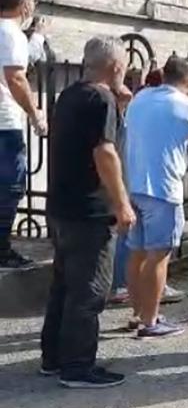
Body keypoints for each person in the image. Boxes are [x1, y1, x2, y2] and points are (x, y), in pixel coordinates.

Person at [40, 36, 135, 388]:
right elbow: (104, 153)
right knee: (89, 291)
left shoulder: (70, 95)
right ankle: (78, 367)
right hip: (90, 210)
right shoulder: (101, 98)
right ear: (117, 67)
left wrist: (120, 105)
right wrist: (122, 204)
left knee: (64, 286)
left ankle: (53, 358)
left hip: (62, 205)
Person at [123, 57, 188, 338]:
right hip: (164, 189)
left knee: (137, 253)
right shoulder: (186, 106)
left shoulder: (140, 98)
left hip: (134, 186)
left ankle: (138, 314)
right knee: (159, 256)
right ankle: (151, 321)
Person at [108, 69, 186, 309]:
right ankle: (144, 295)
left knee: (133, 243)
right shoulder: (153, 108)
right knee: (152, 248)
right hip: (144, 183)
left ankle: (129, 293)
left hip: (130, 182)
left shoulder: (136, 106)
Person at [0, 0, 49, 269]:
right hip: (4, 125)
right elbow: (16, 77)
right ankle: (2, 249)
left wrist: (37, 38)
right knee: (10, 187)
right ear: (24, 5)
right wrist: (34, 113)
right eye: (32, 2)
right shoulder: (11, 33)